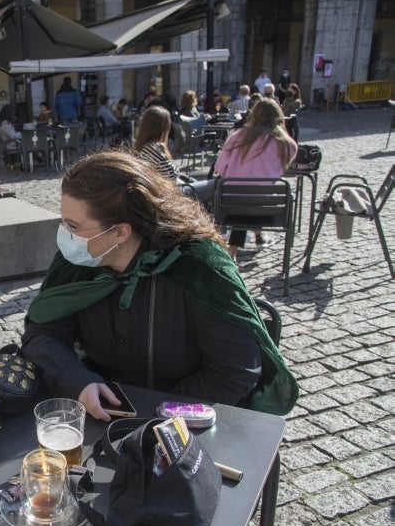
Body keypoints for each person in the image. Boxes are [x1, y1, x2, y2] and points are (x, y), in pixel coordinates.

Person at [20, 149, 297, 421]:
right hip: (102, 414)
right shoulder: (79, 260)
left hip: (186, 421)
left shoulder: (198, 267)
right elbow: (42, 333)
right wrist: (78, 381)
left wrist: (157, 413)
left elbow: (234, 372)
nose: (66, 235)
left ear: (120, 232)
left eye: (74, 226)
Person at [214, 99, 298, 261]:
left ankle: (233, 250)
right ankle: (255, 238)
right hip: (267, 211)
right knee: (257, 194)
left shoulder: (237, 136)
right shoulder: (287, 144)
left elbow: (220, 168)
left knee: (243, 193)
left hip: (232, 206)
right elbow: (281, 170)